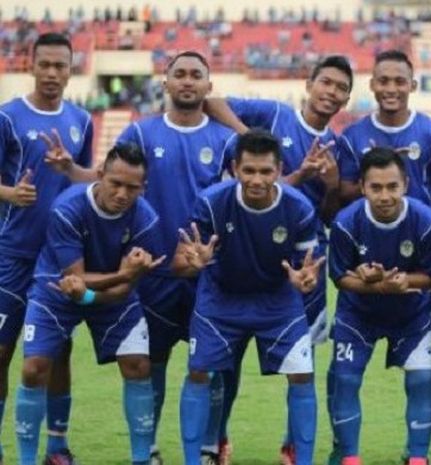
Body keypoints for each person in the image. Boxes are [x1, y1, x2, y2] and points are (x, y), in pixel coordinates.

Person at [204, 55, 353, 464]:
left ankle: (293, 446)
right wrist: (251, 139)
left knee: (300, 359)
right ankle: (216, 441)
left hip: (303, 258)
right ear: (309, 84)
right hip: (246, 248)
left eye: (341, 88)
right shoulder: (273, 114)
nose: (332, 92)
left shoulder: (339, 148)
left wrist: (332, 184)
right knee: (225, 357)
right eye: (326, 82)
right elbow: (210, 101)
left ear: (346, 99)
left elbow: (331, 215)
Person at [173, 129, 325, 465]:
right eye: (249, 170)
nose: (257, 179)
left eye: (266, 171)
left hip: (277, 301)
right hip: (221, 299)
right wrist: (192, 262)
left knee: (302, 374)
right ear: (235, 168)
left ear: (279, 170)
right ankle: (192, 460)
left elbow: (306, 271)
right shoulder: (212, 202)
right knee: (199, 373)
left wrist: (305, 281)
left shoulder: (298, 209)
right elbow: (180, 263)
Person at [116, 50, 237, 465]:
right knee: (153, 364)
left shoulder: (226, 142)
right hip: (153, 272)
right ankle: (146, 450)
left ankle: (206, 449)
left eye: (196, 75)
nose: (187, 81)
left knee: (208, 366)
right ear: (165, 83)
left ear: (209, 85)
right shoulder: (140, 135)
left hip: (210, 275)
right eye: (179, 74)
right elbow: (115, 193)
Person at [15, 143, 162, 465]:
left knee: (138, 365)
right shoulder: (66, 208)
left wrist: (100, 290)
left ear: (143, 188)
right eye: (116, 183)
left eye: (132, 187)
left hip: (110, 299)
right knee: (33, 368)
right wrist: (121, 274)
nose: (123, 193)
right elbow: (75, 277)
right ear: (99, 175)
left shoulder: (146, 220)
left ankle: (141, 459)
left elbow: (124, 288)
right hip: (56, 290)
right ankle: (37, 457)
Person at [0, 32, 94, 465]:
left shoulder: (82, 120)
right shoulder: (8, 117)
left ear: (71, 69)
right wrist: (8, 194)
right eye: (46, 65)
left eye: (61, 65)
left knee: (58, 351)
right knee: (2, 350)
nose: (53, 73)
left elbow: (89, 181)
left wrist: (69, 168)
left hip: (61, 256)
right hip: (12, 252)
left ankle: (57, 445)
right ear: (31, 66)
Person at [329, 148, 431, 465]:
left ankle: (417, 456)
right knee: (346, 379)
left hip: (411, 314)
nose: (384, 196)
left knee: (421, 379)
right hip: (358, 315)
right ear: (363, 187)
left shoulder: (427, 222)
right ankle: (350, 457)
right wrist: (370, 282)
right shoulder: (345, 223)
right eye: (375, 187)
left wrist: (402, 281)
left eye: (392, 186)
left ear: (405, 184)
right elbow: (339, 277)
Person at [336, 50, 431, 222]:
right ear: (372, 85)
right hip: (370, 235)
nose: (391, 89)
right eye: (383, 81)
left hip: (420, 232)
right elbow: (345, 194)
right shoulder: (351, 136)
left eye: (399, 82)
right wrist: (377, 166)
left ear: (412, 86)